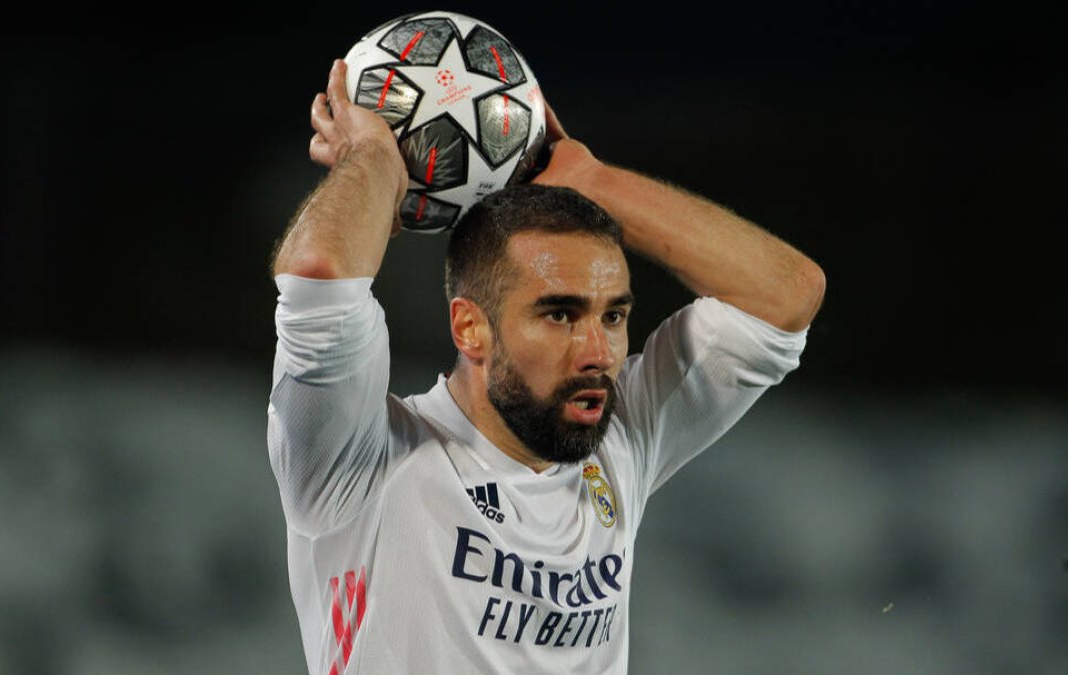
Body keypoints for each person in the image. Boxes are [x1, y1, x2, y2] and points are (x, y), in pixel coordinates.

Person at [267, 58, 825, 675]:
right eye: (559, 314)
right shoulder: (357, 461)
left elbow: (786, 294)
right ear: (469, 326)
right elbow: (319, 275)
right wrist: (373, 156)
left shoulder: (621, 441)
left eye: (613, 316)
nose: (599, 352)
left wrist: (595, 181)